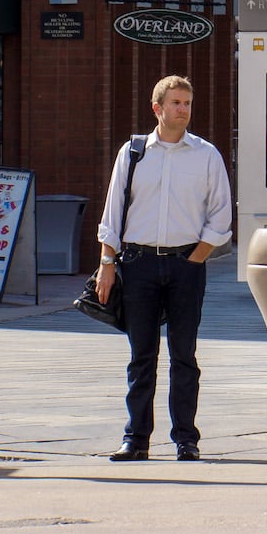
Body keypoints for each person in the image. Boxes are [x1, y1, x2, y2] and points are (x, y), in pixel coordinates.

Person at [96, 75, 232, 462]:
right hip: (138, 264)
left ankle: (186, 439)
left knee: (184, 356)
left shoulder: (206, 155)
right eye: (175, 103)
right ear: (157, 108)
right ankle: (135, 439)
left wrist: (196, 259)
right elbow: (113, 214)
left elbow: (221, 215)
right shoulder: (134, 152)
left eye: (187, 103)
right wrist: (107, 264)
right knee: (141, 355)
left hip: (185, 264)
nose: (183, 110)